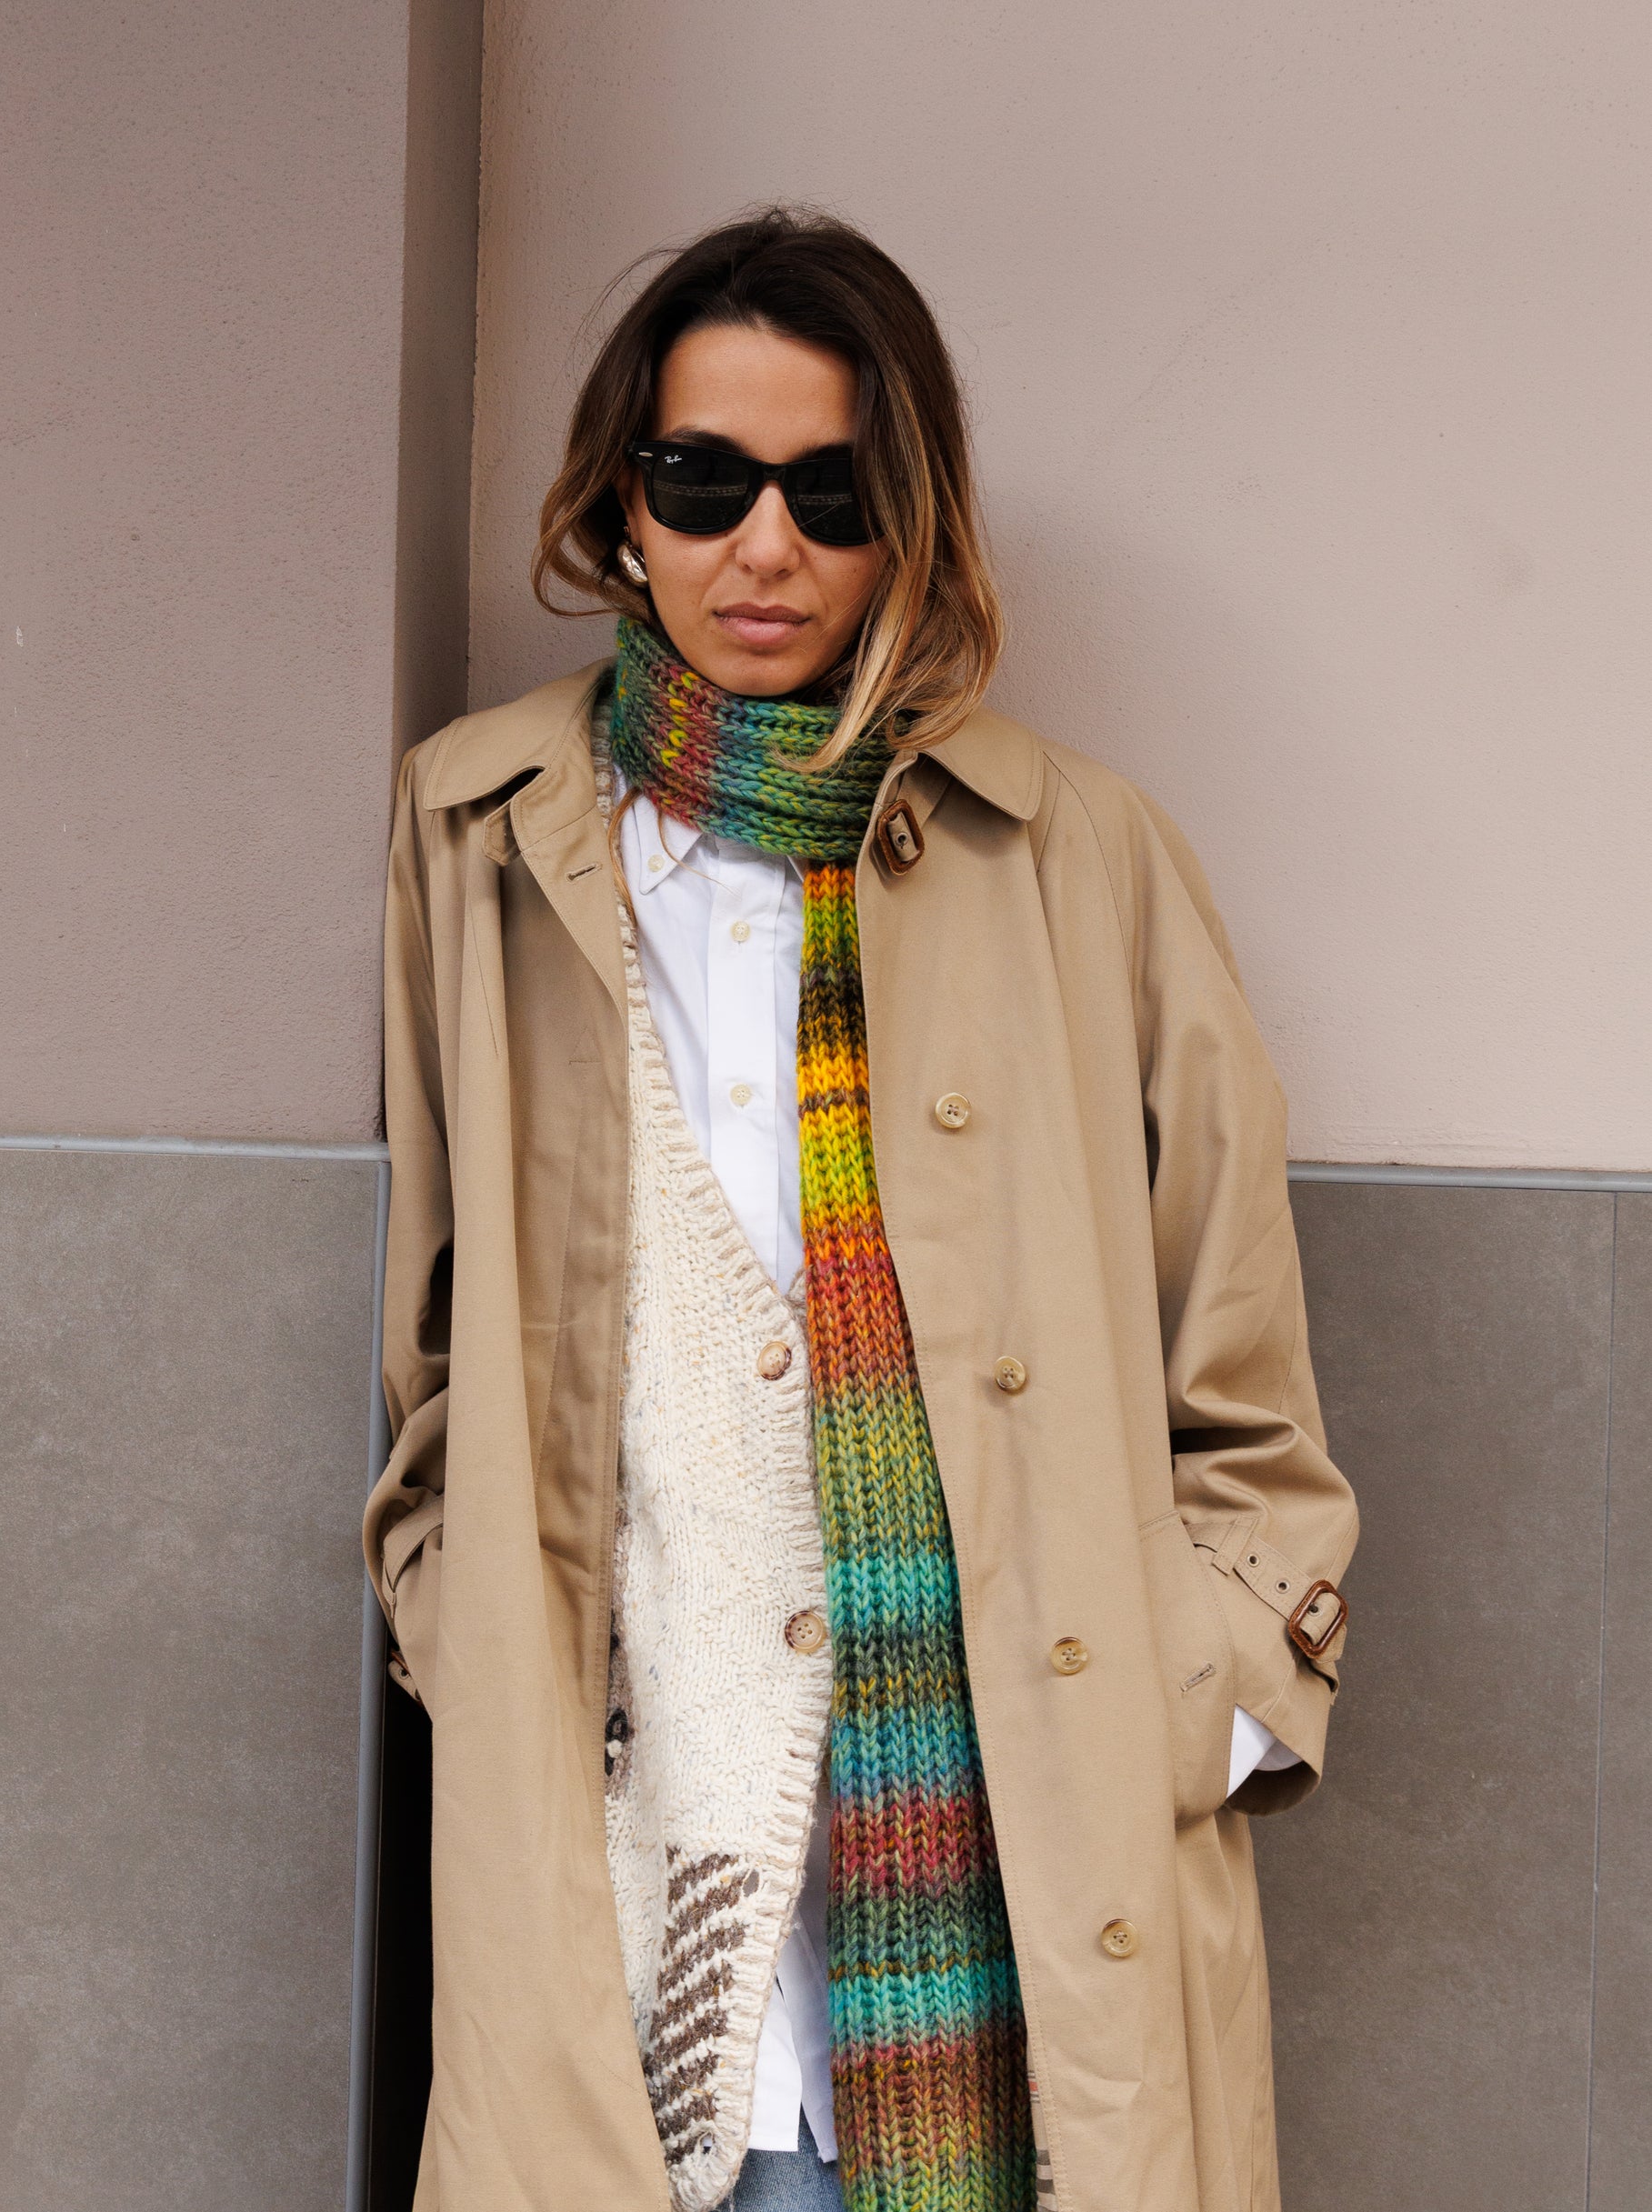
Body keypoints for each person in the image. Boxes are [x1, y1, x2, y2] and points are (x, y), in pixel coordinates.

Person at [364, 207, 1357, 2212]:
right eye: (703, 480)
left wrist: (1193, 1704)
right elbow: (439, 1362)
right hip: (638, 1886)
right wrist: (460, 1625)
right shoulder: (478, 838)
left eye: (830, 494)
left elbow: (1243, 1397)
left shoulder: (1082, 860)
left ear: (907, 524)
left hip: (1013, 1896)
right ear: (619, 499)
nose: (765, 547)